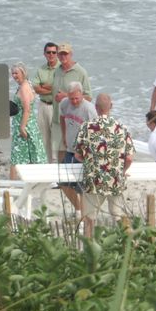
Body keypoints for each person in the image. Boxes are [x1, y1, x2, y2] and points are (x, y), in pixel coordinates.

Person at [74, 93, 135, 237]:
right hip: (115, 179)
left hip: (93, 180)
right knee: (118, 214)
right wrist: (122, 171)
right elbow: (129, 158)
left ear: (95, 107)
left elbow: (77, 155)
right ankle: (130, 242)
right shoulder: (121, 128)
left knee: (90, 217)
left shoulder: (86, 127)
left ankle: (89, 245)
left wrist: (92, 162)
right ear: (111, 106)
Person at [58, 81, 97, 215]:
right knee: (63, 183)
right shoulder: (64, 104)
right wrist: (64, 135)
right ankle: (79, 209)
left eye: (77, 98)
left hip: (84, 154)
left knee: (81, 187)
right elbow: (62, 118)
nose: (74, 101)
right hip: (70, 150)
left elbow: (96, 132)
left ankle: (84, 214)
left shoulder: (89, 109)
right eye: (71, 98)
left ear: (82, 94)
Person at [51, 43, 92, 162]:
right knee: (57, 152)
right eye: (60, 54)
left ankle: (70, 174)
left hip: (74, 121)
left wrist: (66, 96)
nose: (63, 56)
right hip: (58, 118)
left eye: (66, 54)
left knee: (69, 153)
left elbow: (88, 97)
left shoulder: (81, 72)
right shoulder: (57, 71)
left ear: (71, 54)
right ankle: (61, 174)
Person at [10, 62, 47, 180]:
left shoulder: (24, 87)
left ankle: (12, 183)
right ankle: (30, 181)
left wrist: (22, 127)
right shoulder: (26, 84)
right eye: (12, 73)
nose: (14, 75)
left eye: (16, 73)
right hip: (27, 123)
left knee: (16, 156)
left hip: (24, 124)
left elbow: (27, 109)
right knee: (31, 154)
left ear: (23, 73)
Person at [32, 42, 59, 163]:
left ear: (57, 54)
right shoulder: (40, 69)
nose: (51, 54)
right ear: (44, 54)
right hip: (42, 105)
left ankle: (56, 165)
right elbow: (36, 88)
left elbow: (59, 88)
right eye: (48, 52)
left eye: (53, 52)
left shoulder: (61, 69)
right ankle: (46, 164)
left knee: (56, 138)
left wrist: (45, 87)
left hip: (56, 106)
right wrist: (52, 88)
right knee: (44, 139)